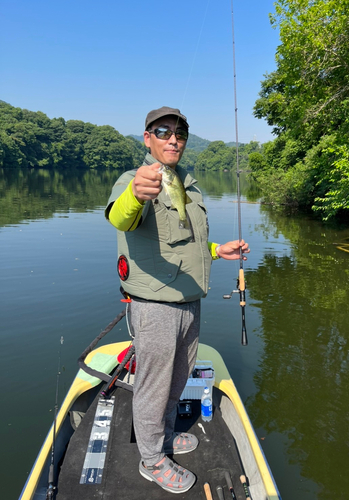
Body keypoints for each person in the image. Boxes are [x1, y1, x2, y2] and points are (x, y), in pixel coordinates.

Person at [105, 106, 249, 494]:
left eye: (180, 133)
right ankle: (151, 460)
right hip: (155, 306)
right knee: (154, 385)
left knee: (178, 379)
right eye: (164, 131)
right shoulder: (134, 180)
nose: (174, 139)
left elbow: (189, 242)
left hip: (189, 302)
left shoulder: (189, 183)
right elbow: (120, 218)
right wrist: (136, 194)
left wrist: (220, 250)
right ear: (147, 137)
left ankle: (165, 439)